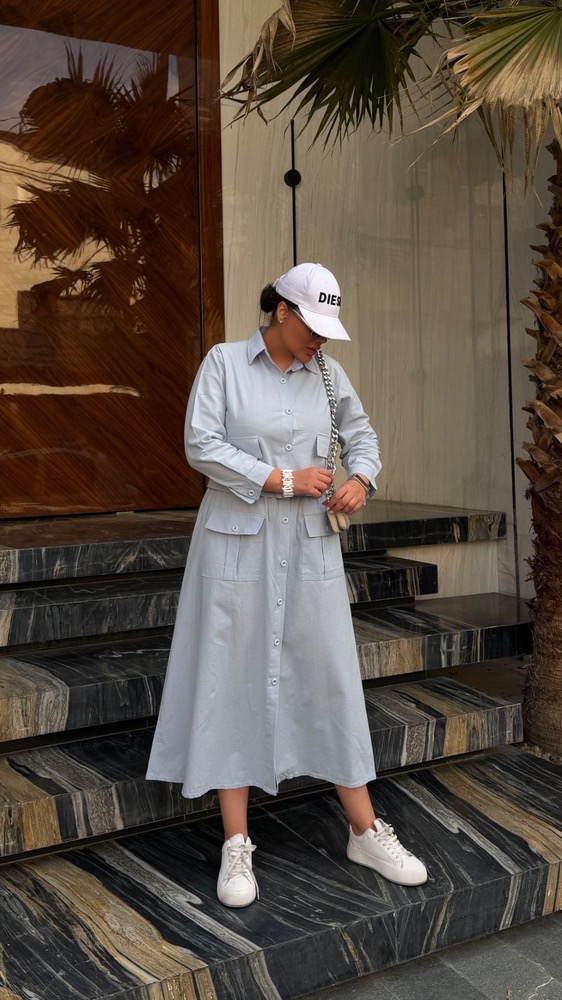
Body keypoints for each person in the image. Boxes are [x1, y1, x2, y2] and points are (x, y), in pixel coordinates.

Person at [146, 262, 427, 906]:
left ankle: (365, 831)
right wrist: (279, 479)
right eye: (313, 326)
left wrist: (362, 479)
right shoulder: (223, 364)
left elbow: (362, 437)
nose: (320, 340)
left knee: (329, 678)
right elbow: (201, 444)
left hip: (308, 548)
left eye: (328, 330)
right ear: (282, 312)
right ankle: (236, 843)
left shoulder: (328, 374)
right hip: (236, 547)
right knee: (230, 677)